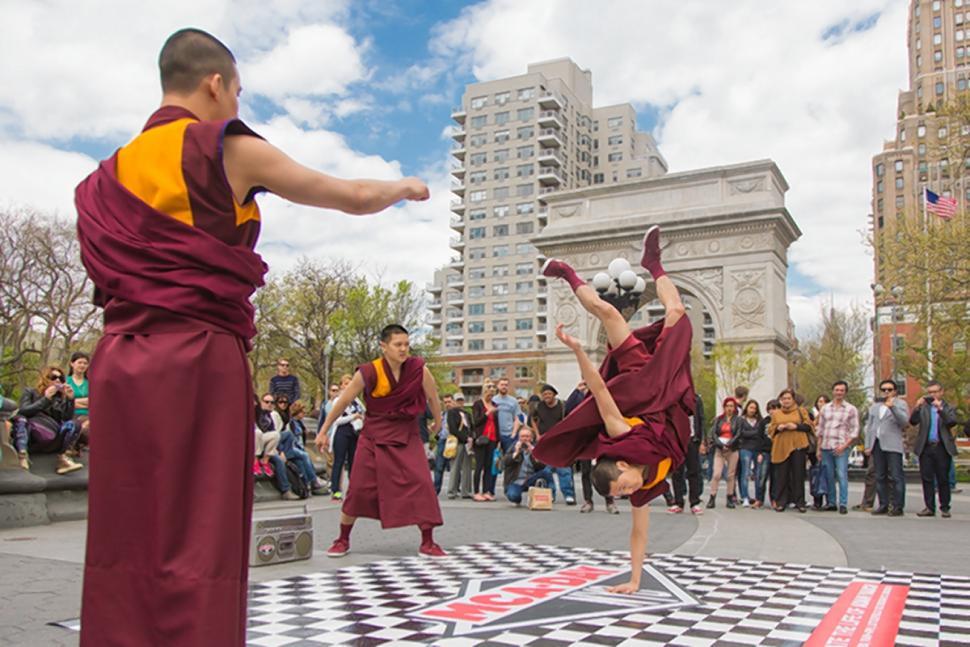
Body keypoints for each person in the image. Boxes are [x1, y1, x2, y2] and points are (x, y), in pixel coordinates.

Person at [74, 28, 430, 646]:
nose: (236, 106)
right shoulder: (221, 146)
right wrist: (403, 187)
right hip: (196, 357)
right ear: (216, 84)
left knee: (124, 523)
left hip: (119, 361)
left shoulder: (103, 181)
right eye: (237, 93)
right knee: (200, 526)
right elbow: (348, 195)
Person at [534, 225, 695, 594]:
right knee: (677, 310)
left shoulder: (620, 433)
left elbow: (598, 387)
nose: (627, 492)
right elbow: (639, 533)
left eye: (621, 488)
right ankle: (654, 264)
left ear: (621, 464)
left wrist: (577, 349)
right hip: (667, 387)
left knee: (606, 310)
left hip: (639, 377)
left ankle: (567, 272)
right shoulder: (646, 486)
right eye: (622, 494)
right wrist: (635, 580)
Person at [316, 324, 445, 557]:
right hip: (374, 435)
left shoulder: (418, 368)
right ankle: (342, 539)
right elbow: (343, 402)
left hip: (406, 433)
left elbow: (432, 396)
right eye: (398, 345)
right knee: (358, 488)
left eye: (406, 344)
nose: (404, 349)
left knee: (422, 483)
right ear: (384, 346)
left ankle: (428, 541)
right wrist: (324, 429)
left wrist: (438, 420)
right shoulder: (368, 371)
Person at [12, 366, 84, 474]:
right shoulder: (31, 392)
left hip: (52, 435)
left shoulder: (60, 399)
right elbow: (23, 411)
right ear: (45, 378)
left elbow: (66, 419)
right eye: (53, 377)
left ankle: (63, 458)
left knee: (75, 423)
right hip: (34, 434)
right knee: (20, 419)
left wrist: (70, 400)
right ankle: (22, 455)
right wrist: (45, 399)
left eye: (61, 379)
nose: (57, 380)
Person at [910, 380, 959, 518]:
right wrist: (917, 407)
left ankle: (945, 507)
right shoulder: (924, 408)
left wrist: (940, 409)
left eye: (935, 392)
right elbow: (913, 421)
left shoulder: (948, 407)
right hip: (926, 447)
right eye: (930, 392)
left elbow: (951, 422)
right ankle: (929, 507)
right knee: (927, 478)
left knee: (943, 478)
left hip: (942, 447)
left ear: (941, 392)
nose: (932, 395)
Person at [864, 379, 909, 516]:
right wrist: (868, 445)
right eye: (884, 389)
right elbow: (870, 427)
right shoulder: (875, 407)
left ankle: (897, 506)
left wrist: (892, 407)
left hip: (893, 444)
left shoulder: (901, 404)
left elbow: (904, 422)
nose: (886, 392)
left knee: (896, 476)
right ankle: (883, 504)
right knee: (880, 476)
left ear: (895, 391)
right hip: (877, 444)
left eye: (889, 390)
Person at [815, 381, 859, 515]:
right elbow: (820, 429)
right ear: (833, 391)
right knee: (829, 475)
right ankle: (832, 502)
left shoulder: (851, 409)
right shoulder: (825, 408)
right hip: (826, 446)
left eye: (842, 390)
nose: (839, 392)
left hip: (841, 446)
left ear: (845, 392)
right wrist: (819, 448)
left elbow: (855, 430)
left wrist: (845, 445)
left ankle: (843, 503)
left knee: (841, 475)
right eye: (837, 390)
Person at [530, 383, 576, 505]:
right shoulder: (538, 406)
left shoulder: (562, 405)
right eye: (544, 394)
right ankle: (550, 494)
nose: (546, 396)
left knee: (564, 468)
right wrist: (537, 434)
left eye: (549, 394)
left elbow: (569, 420)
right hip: (544, 441)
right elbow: (532, 420)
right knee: (546, 469)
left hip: (560, 441)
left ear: (554, 394)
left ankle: (568, 494)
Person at [767, 388, 812, 513]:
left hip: (798, 445)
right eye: (783, 399)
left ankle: (800, 502)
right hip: (781, 446)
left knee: (798, 474)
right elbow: (771, 430)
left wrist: (796, 426)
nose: (786, 401)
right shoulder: (776, 413)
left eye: (788, 398)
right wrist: (778, 428)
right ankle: (781, 502)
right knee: (781, 475)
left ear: (793, 400)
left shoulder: (801, 411)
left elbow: (809, 426)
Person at [326, 374, 364, 501]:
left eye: (351, 383)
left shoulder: (357, 400)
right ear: (342, 385)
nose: (349, 386)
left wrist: (361, 419)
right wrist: (352, 417)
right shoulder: (338, 400)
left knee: (354, 461)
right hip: (342, 431)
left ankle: (353, 490)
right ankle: (336, 490)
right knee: (339, 461)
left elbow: (363, 412)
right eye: (346, 383)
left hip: (355, 432)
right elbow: (336, 420)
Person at [278, 401, 328, 495]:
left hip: (298, 447)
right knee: (304, 456)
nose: (304, 414)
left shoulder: (300, 423)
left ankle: (306, 484)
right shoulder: (291, 423)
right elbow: (291, 439)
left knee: (301, 461)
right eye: (303, 412)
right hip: (291, 448)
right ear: (297, 412)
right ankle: (313, 481)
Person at [669, 392, 704, 515]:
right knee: (677, 471)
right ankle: (678, 501)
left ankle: (694, 502)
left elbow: (700, 419)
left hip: (692, 439)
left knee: (694, 471)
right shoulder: (673, 397)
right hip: (677, 440)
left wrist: (701, 440)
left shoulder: (696, 399)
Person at [705, 397, 740, 509]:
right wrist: (720, 444)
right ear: (724, 407)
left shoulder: (738, 420)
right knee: (716, 474)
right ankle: (712, 497)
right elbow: (714, 433)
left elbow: (738, 434)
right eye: (727, 406)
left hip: (732, 448)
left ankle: (730, 497)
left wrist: (730, 444)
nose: (729, 408)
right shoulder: (718, 420)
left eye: (731, 406)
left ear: (734, 408)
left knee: (730, 475)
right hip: (720, 448)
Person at [503, 428, 553, 505]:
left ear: (531, 438)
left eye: (527, 436)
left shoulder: (535, 447)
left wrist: (534, 453)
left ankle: (551, 495)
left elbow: (542, 465)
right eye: (522, 436)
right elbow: (505, 462)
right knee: (513, 496)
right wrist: (516, 452)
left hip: (531, 479)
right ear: (519, 438)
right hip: (516, 481)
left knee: (547, 472)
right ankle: (517, 498)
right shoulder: (513, 447)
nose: (525, 439)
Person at [471, 381, 499, 501]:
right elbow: (476, 422)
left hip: (492, 438)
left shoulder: (494, 404)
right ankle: (476, 492)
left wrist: (499, 440)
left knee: (489, 466)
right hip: (481, 439)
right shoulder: (478, 404)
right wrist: (488, 413)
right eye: (489, 391)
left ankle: (487, 491)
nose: (490, 395)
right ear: (484, 391)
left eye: (492, 393)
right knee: (479, 465)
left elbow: (497, 423)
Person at [446, 392, 474, 499]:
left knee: (467, 467)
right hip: (458, 442)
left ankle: (466, 491)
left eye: (461, 400)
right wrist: (465, 438)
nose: (460, 402)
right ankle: (452, 491)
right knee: (455, 467)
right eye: (458, 400)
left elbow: (471, 427)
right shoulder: (452, 412)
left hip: (468, 443)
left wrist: (471, 438)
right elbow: (452, 429)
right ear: (454, 401)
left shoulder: (467, 414)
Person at [736, 399, 763, 508]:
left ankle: (758, 497)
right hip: (745, 448)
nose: (752, 410)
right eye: (751, 407)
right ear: (746, 408)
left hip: (757, 449)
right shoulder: (741, 420)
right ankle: (745, 497)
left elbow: (760, 434)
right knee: (745, 473)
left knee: (758, 474)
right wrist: (754, 433)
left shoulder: (760, 421)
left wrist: (750, 434)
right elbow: (741, 433)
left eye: (754, 408)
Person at [753, 399, 777, 509]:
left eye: (775, 408)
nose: (773, 411)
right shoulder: (764, 422)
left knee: (776, 478)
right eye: (771, 409)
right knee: (761, 477)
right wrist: (759, 453)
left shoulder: (781, 422)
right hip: (765, 452)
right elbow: (759, 438)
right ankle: (759, 499)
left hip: (777, 452)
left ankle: (774, 499)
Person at [66, 352, 91, 454]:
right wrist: (84, 401)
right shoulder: (66, 381)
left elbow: (94, 402)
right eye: (79, 362)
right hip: (71, 414)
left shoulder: (90, 382)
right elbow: (65, 401)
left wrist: (75, 401)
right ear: (72, 364)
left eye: (85, 363)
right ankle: (71, 447)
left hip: (89, 415)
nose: (82, 365)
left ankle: (74, 446)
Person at [254, 392, 281, 477]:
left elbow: (272, 431)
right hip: (253, 439)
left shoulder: (269, 415)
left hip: (262, 442)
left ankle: (265, 461)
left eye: (272, 402)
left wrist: (280, 451)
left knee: (276, 434)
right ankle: (255, 461)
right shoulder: (256, 411)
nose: (269, 404)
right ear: (261, 402)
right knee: (257, 432)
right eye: (267, 402)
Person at [432, 394, 454, 495]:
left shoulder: (457, 413)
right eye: (445, 402)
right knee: (439, 466)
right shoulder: (442, 414)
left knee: (454, 467)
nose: (447, 404)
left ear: (453, 402)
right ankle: (435, 489)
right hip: (442, 440)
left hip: (453, 441)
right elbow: (435, 428)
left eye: (449, 401)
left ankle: (454, 489)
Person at [493, 377, 521, 452]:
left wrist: (513, 434)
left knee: (508, 459)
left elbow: (517, 419)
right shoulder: (493, 400)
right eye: (502, 385)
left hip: (509, 435)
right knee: (495, 460)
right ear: (498, 386)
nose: (504, 387)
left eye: (506, 385)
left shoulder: (514, 401)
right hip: (495, 434)